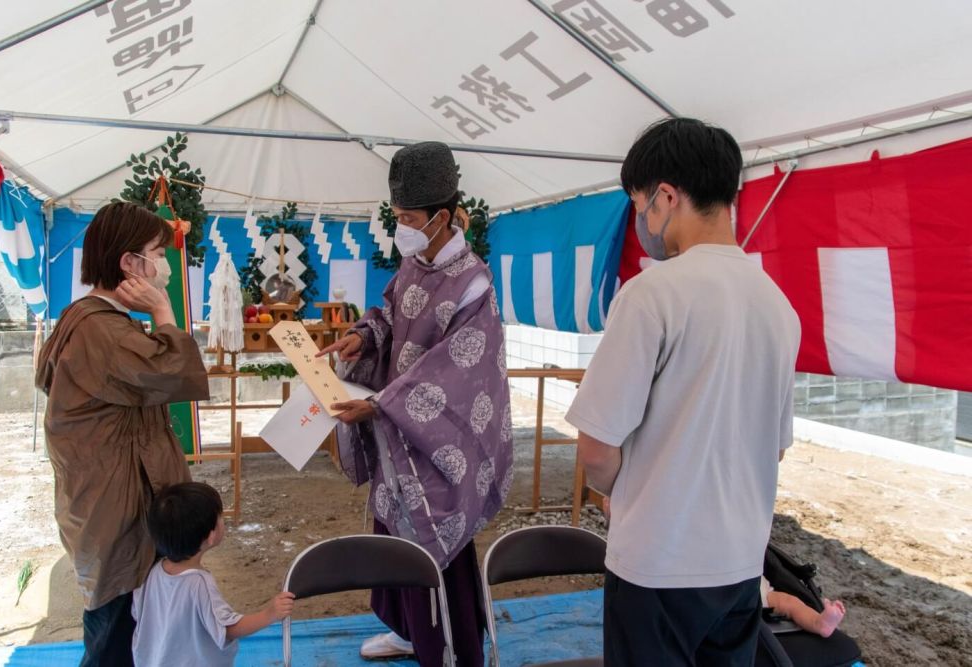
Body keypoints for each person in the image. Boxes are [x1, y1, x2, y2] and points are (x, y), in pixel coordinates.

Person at [566, 118, 801, 666]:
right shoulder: (778, 305)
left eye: (640, 205)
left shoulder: (653, 294)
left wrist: (626, 490)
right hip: (741, 563)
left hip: (657, 563)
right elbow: (777, 446)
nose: (642, 222)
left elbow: (597, 448)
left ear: (666, 196)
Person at [317, 141, 513, 666]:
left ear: (442, 217)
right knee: (395, 529)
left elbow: (459, 372)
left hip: (439, 438)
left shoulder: (473, 282)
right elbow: (388, 312)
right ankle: (408, 631)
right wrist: (363, 337)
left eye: (407, 218)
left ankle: (450, 649)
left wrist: (382, 402)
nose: (400, 227)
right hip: (397, 428)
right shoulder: (413, 262)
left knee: (431, 540)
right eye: (397, 217)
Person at [35, 201, 209, 666]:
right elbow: (172, 375)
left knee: (127, 627)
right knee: (116, 635)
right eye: (158, 253)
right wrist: (164, 312)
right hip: (115, 510)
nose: (164, 267)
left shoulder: (94, 319)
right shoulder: (101, 329)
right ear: (131, 264)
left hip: (105, 499)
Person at [131, 482, 295, 666]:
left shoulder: (154, 571)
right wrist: (269, 614)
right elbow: (227, 628)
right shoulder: (199, 583)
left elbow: (138, 614)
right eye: (220, 516)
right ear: (211, 536)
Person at [762, 578, 846, 638]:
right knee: (788, 602)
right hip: (754, 595)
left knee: (791, 602)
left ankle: (818, 622)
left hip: (760, 589)